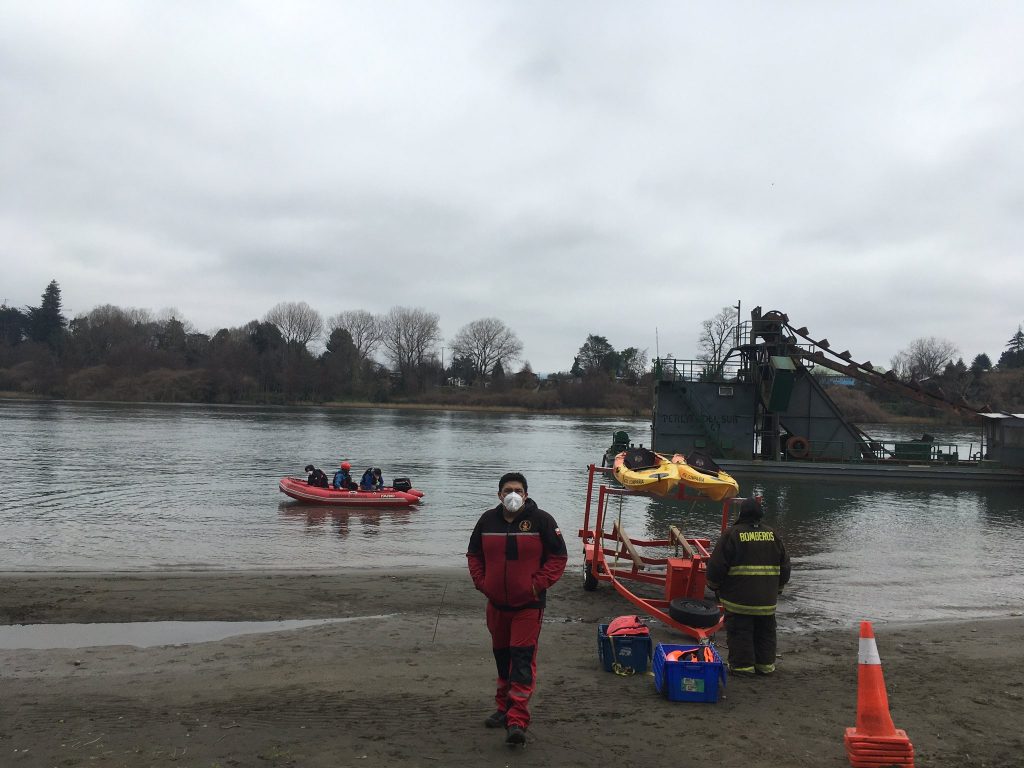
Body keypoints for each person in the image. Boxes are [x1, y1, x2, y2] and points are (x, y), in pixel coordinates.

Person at [467, 472, 567, 746]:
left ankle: (517, 721)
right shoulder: (487, 521)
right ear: (499, 495)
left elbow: (559, 558)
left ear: (525, 494)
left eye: (518, 490)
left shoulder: (542, 521)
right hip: (496, 604)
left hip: (528, 606)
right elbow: (474, 554)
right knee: (502, 658)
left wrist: (537, 585)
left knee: (521, 660)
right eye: (508, 490)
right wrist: (482, 583)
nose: (513, 494)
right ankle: (503, 709)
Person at [706, 496, 791, 676]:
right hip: (767, 601)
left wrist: (713, 586)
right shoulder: (773, 535)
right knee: (766, 633)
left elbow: (716, 566)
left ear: (742, 514)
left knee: (740, 633)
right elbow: (785, 566)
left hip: (739, 600)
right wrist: (778, 588)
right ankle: (765, 666)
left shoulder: (732, 535)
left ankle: (742, 668)